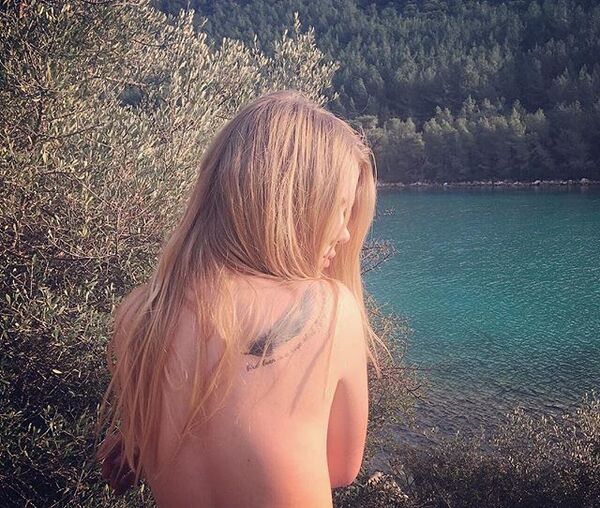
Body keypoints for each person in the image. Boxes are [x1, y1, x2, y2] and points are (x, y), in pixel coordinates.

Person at [96, 89, 382, 507]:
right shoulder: (330, 310)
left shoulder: (142, 315)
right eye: (339, 209)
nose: (344, 232)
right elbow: (341, 468)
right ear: (294, 203)